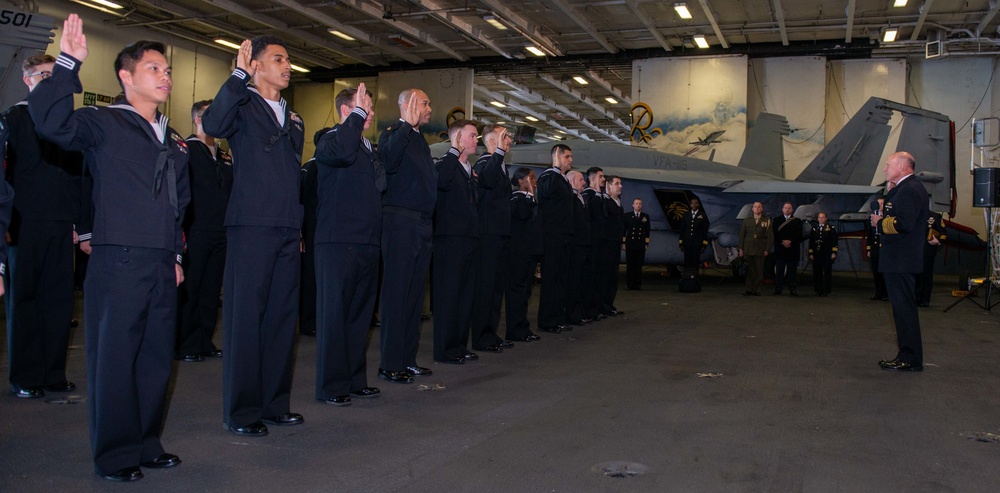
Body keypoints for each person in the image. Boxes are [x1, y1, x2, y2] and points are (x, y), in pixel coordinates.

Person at [29, 15, 189, 480]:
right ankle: (116, 455)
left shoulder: (172, 140)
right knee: (116, 359)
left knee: (156, 358)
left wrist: (176, 255)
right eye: (154, 69)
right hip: (119, 259)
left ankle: (145, 442)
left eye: (167, 71)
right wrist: (67, 64)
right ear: (126, 76)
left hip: (161, 261)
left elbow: (182, 204)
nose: (165, 77)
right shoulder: (103, 123)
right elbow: (49, 121)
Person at [202, 35, 305, 437]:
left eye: (289, 59)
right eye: (278, 58)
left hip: (285, 227)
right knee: (246, 319)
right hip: (250, 226)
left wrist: (296, 226)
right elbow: (213, 124)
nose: (287, 65)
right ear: (257, 66)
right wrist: (237, 77)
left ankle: (274, 404)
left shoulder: (293, 118)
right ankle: (242, 412)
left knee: (281, 318)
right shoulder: (242, 104)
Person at [4, 54, 83, 399]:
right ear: (27, 79)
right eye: (43, 75)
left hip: (61, 223)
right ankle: (25, 375)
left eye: (55, 76)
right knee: (25, 301)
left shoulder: (66, 124)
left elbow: (79, 177)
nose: (49, 81)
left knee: (59, 301)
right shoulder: (13, 119)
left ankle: (53, 373)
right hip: (23, 224)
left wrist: (79, 222)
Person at [312, 84, 384, 405]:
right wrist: (355, 116)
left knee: (359, 315)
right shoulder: (328, 139)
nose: (368, 113)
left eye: (367, 108)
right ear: (346, 110)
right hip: (337, 241)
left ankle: (354, 379)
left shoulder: (370, 149)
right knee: (335, 316)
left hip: (367, 241)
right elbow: (341, 152)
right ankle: (332, 385)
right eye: (362, 107)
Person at [378, 88, 436, 381]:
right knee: (397, 294)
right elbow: (387, 161)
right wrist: (404, 125)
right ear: (408, 105)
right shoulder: (392, 134)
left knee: (414, 296)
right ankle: (390, 362)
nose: (429, 108)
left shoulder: (420, 140)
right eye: (424, 103)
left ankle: (407, 358)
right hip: (400, 222)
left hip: (422, 225)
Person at [175, 100, 232, 362]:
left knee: (210, 290)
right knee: (193, 288)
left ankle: (203, 340)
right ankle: (186, 343)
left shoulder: (222, 156)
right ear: (199, 119)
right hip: (196, 230)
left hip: (220, 232)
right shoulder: (188, 151)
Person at [870, 151, 929, 372]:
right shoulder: (904, 189)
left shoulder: (910, 190)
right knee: (902, 310)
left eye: (888, 165)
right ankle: (907, 355)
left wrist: (880, 222)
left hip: (901, 260)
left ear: (902, 166)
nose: (885, 169)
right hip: (900, 260)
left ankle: (910, 358)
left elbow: (904, 224)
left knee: (904, 310)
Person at [432, 119, 481, 362]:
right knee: (448, 296)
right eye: (471, 136)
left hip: (469, 240)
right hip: (449, 240)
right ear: (457, 139)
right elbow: (440, 182)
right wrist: (452, 151)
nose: (475, 140)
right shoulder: (446, 164)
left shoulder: (469, 171)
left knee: (464, 296)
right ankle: (445, 349)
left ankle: (459, 345)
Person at [470, 124, 513, 350]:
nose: (510, 140)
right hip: (487, 234)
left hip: (500, 234)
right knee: (486, 287)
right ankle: (481, 337)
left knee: (496, 288)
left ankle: (491, 332)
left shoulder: (501, 165)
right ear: (492, 142)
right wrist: (497, 152)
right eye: (504, 137)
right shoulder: (485, 162)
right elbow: (485, 180)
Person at [297, 127, 333, 338]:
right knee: (311, 278)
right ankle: (310, 321)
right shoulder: (314, 169)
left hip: (317, 231)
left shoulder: (310, 168)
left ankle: (315, 319)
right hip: (313, 232)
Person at [536, 144, 574, 333]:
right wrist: (556, 167)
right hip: (552, 236)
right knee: (551, 279)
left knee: (561, 279)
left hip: (564, 236)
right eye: (567, 156)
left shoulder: (562, 179)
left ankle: (558, 317)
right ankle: (548, 320)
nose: (570, 160)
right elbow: (544, 195)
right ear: (557, 156)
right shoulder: (548, 176)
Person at [505, 168, 542, 342]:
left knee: (526, 291)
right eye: (531, 178)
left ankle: (522, 326)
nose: (535, 181)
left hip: (529, 251)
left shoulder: (530, 200)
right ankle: (514, 329)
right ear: (521, 180)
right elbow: (522, 215)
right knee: (517, 291)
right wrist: (530, 197)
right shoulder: (517, 199)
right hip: (518, 252)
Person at [566, 170, 591, 325]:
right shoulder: (571, 198)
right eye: (581, 180)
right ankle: (571, 314)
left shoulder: (581, 198)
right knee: (573, 281)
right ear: (573, 181)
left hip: (583, 244)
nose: (584, 182)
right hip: (575, 245)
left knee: (581, 280)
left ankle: (579, 311)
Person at [601, 175, 625, 316]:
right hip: (607, 244)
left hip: (615, 243)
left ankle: (609, 304)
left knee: (612, 276)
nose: (620, 186)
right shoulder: (605, 201)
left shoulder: (618, 202)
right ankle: (602, 305)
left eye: (620, 183)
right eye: (617, 183)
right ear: (608, 186)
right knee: (605, 275)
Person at [738, 202, 772, 296]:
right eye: (755, 207)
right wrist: (740, 248)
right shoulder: (747, 221)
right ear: (752, 209)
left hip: (760, 249)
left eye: (759, 207)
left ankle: (757, 289)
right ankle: (749, 289)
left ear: (762, 209)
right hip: (748, 248)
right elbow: (742, 235)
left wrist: (767, 249)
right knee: (750, 270)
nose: (757, 208)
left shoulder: (766, 221)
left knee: (759, 270)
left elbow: (770, 237)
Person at [916, 211, 946, 307]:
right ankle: (913, 298)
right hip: (912, 252)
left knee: (926, 276)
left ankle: (924, 298)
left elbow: (944, 233)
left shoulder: (935, 216)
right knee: (913, 276)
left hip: (927, 251)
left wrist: (938, 240)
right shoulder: (910, 214)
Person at [772, 202, 802, 295]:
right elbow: (775, 233)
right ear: (782, 209)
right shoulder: (777, 220)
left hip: (792, 250)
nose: (787, 209)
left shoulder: (797, 221)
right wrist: (783, 241)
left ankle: (792, 288)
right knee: (779, 271)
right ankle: (778, 288)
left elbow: (799, 234)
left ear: (792, 210)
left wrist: (790, 241)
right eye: (785, 208)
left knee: (792, 271)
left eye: (789, 208)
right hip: (780, 249)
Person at [624, 198, 651, 290]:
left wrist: (646, 243)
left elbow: (647, 231)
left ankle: (637, 284)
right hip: (630, 243)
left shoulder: (645, 216)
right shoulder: (627, 216)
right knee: (630, 265)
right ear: (633, 205)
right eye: (636, 203)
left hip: (640, 243)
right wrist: (623, 242)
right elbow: (624, 230)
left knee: (638, 265)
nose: (638, 205)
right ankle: (630, 284)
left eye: (640, 204)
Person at [809, 212, 838, 296]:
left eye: (823, 217)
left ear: (826, 218)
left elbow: (834, 241)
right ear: (817, 219)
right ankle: (818, 289)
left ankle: (826, 289)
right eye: (819, 217)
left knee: (827, 272)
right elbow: (811, 242)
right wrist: (811, 253)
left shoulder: (830, 228)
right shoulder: (814, 228)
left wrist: (834, 252)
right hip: (817, 253)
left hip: (827, 253)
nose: (821, 219)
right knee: (817, 272)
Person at [866, 197, 888, 301]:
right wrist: (869, 249)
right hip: (875, 249)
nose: (880, 205)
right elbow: (869, 235)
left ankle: (885, 293)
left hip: (885, 249)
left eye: (882, 203)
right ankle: (878, 293)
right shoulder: (872, 217)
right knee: (876, 272)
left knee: (885, 272)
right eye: (878, 203)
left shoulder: (887, 217)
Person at [679, 197, 709, 270]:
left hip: (697, 243)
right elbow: (682, 229)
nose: (694, 205)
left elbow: (705, 230)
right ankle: (687, 278)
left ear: (698, 205)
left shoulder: (703, 215)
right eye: (692, 203)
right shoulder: (686, 215)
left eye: (696, 203)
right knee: (687, 261)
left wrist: (704, 244)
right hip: (687, 242)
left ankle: (694, 278)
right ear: (690, 205)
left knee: (695, 262)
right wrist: (681, 242)